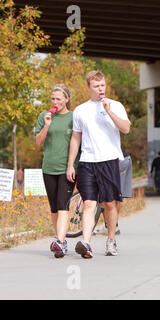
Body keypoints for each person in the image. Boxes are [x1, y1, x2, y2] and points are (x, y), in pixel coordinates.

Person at [66, 70, 131, 258]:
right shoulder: (80, 110)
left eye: (102, 85)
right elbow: (75, 138)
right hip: (87, 162)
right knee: (88, 203)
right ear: (89, 87)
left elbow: (126, 128)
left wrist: (108, 111)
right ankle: (86, 242)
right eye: (96, 86)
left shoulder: (115, 105)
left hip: (109, 160)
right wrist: (71, 164)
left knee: (110, 204)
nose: (100, 89)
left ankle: (111, 240)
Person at [35, 84, 77, 258]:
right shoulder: (43, 116)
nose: (55, 102)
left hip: (66, 169)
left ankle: (59, 241)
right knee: (54, 208)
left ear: (66, 99)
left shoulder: (73, 117)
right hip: (48, 167)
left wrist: (72, 165)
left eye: (59, 99)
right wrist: (46, 125)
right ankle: (62, 241)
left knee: (63, 205)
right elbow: (38, 142)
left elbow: (78, 143)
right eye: (53, 99)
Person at [104, 149, 132, 235]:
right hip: (124, 159)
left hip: (119, 160)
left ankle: (109, 226)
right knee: (116, 196)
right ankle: (113, 225)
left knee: (109, 197)